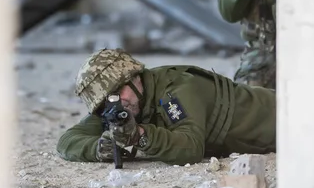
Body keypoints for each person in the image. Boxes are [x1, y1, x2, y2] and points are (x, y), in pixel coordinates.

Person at [56, 48, 276, 165]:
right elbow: (68, 140)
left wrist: (140, 135)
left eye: (115, 94)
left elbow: (191, 148)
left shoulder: (176, 89)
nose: (114, 104)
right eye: (103, 104)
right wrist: (98, 148)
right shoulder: (123, 103)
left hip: (285, 119)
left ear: (135, 78)